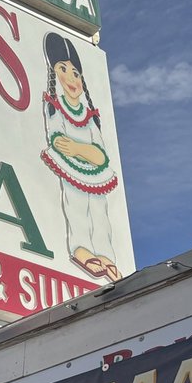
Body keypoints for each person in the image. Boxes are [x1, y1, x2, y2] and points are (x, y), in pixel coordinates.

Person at [41, 32, 121, 282]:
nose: (71, 78)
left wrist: (79, 149)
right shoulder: (55, 106)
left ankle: (106, 255)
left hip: (95, 173)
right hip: (71, 169)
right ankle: (81, 249)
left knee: (100, 213)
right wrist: (82, 151)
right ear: (55, 74)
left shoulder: (89, 114)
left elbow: (101, 154)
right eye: (63, 70)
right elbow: (58, 141)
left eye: (76, 73)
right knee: (76, 207)